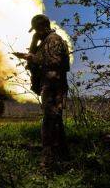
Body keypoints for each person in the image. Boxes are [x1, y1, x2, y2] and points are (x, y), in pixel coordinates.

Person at [14, 14, 70, 168]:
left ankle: (49, 158)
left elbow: (55, 62)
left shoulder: (53, 40)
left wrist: (32, 58)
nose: (36, 33)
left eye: (37, 30)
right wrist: (32, 44)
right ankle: (62, 155)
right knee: (54, 120)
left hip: (54, 85)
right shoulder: (45, 41)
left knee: (50, 120)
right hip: (50, 84)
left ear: (42, 27)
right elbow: (40, 58)